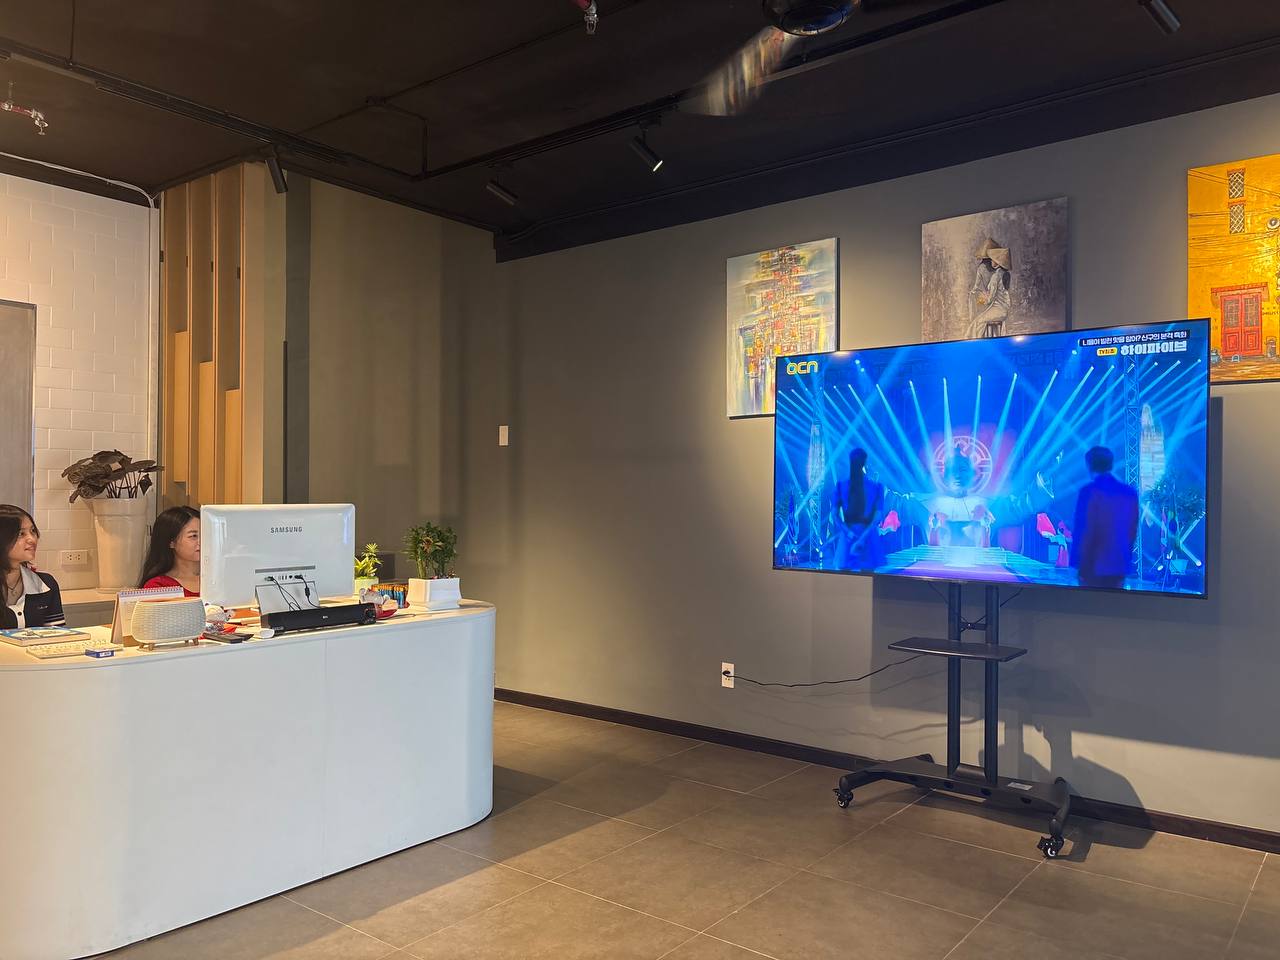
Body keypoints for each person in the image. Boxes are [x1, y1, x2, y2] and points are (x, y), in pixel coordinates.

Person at [1070, 447, 1139, 590]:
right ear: (1111, 465)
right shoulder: (1130, 492)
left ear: (1089, 465)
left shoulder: (1088, 491)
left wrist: (1078, 563)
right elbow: (1132, 531)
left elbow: (1084, 530)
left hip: (1093, 565)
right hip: (1119, 565)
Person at [0, 504, 65, 629]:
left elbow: (56, 635)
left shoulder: (46, 584)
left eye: (33, 531)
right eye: (21, 534)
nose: (32, 539)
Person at [835, 448, 885, 571]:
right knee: (867, 576)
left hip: (849, 536)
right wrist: (862, 537)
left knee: (844, 575)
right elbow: (878, 517)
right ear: (865, 463)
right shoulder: (877, 487)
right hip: (868, 535)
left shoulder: (841, 486)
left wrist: (849, 533)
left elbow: (835, 516)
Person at [138, 505, 201, 597]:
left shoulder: (217, 580)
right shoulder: (158, 586)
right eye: (193, 536)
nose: (201, 541)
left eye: (205, 534)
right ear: (171, 542)